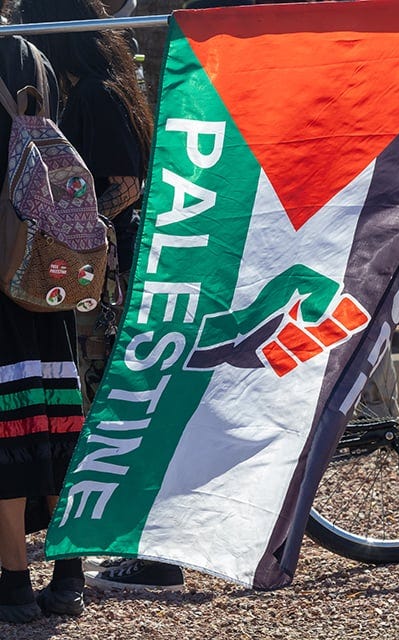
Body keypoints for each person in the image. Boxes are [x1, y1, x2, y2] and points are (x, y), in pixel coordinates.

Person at [20, 0, 184, 592]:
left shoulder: (95, 94)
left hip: (109, 280)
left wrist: (71, 235)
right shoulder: (103, 88)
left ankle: (152, 552)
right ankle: (120, 541)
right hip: (107, 272)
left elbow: (124, 185)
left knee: (117, 407)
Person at [0, 20, 87, 621]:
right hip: (46, 270)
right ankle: (69, 574)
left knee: (6, 429)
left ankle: (11, 584)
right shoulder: (37, 56)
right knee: (53, 420)